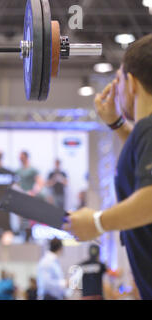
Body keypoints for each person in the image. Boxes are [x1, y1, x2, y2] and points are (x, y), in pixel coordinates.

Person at [64, 34, 152, 300]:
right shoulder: (144, 133)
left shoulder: (148, 128)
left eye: (119, 79)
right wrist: (116, 124)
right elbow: (141, 157)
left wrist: (97, 222)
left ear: (132, 83)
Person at [15, 151, 44, 242]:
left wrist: (33, 192)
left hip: (30, 196)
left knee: (30, 217)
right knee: (22, 217)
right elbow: (17, 183)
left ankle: (30, 234)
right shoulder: (18, 171)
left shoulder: (32, 170)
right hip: (21, 197)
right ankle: (24, 234)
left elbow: (40, 182)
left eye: (22, 157)